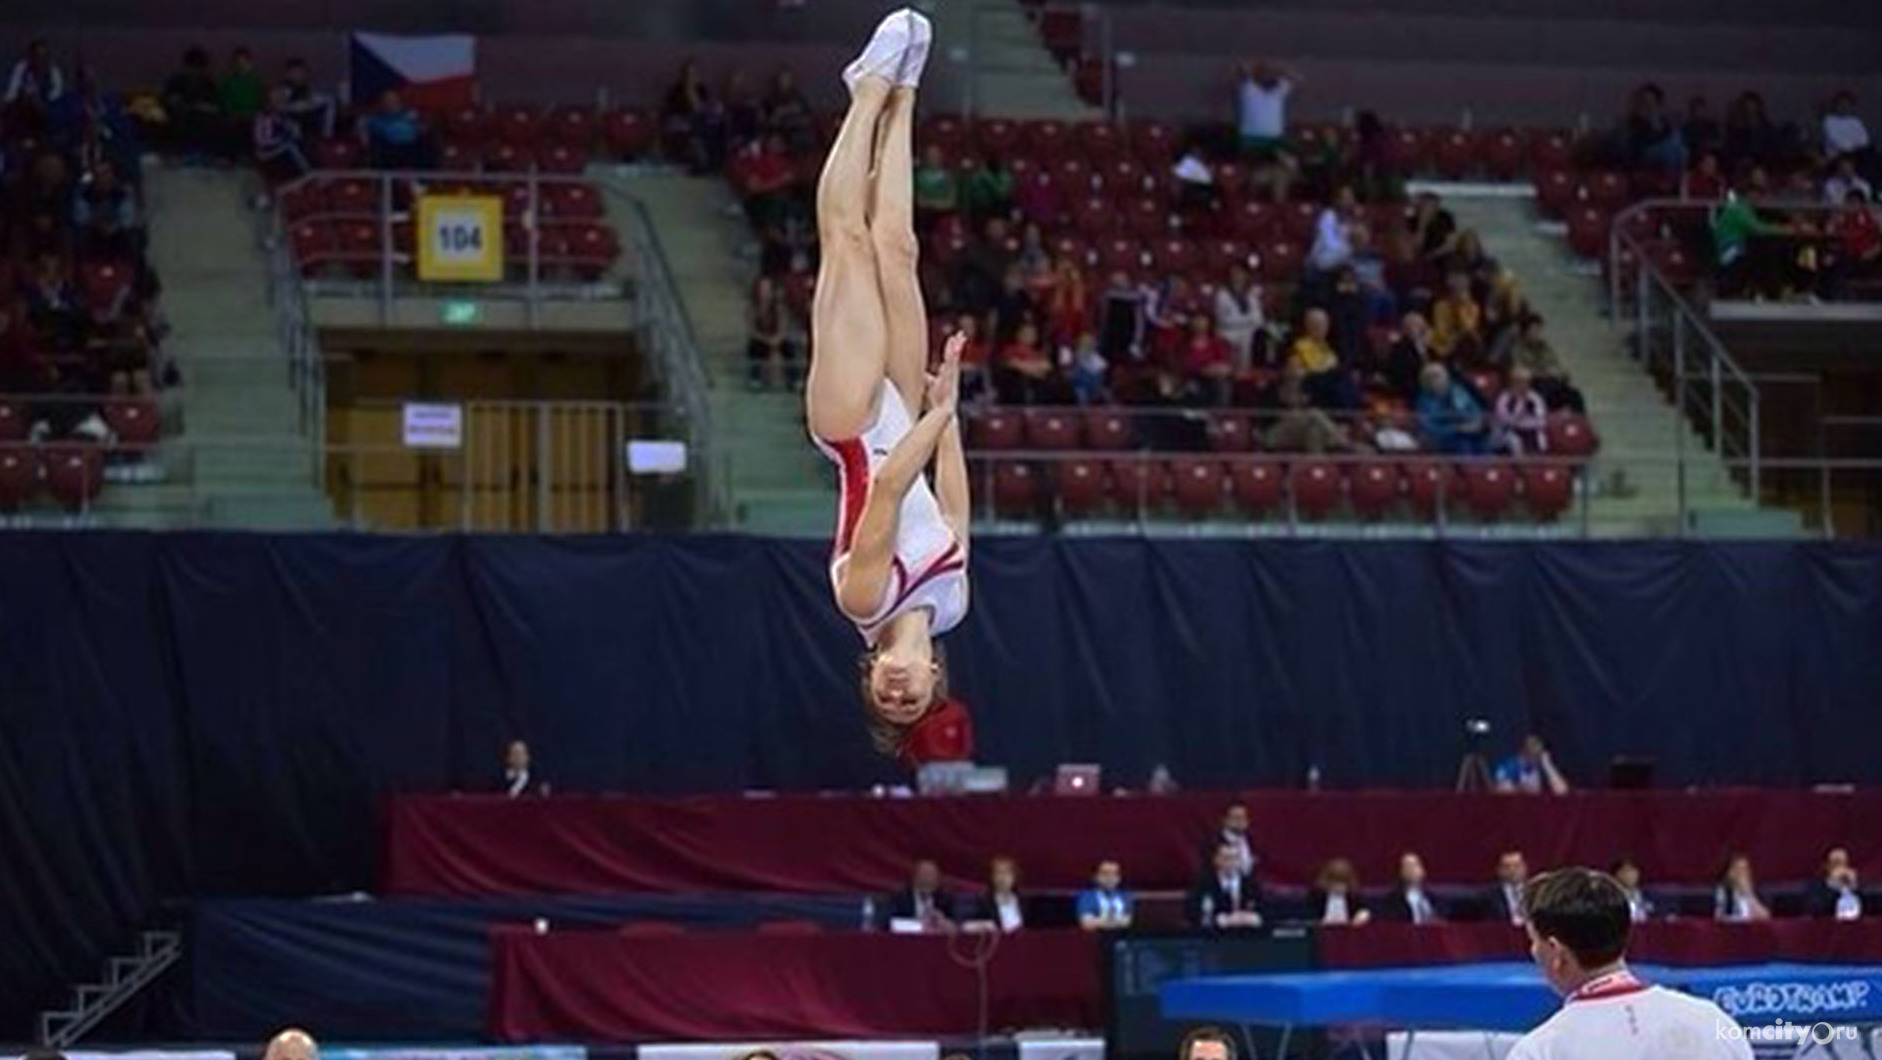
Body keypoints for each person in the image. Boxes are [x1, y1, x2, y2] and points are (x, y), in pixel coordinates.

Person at [807, 10, 968, 765]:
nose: (900, 692)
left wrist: (940, 414)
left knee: (849, 245)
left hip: (853, 425)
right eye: (914, 698)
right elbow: (954, 506)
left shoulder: (862, 601)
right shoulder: (954, 604)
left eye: (885, 695)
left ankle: (866, 92)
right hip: (908, 417)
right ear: (936, 676)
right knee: (899, 250)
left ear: (872, 673)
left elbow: (892, 486)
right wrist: (950, 421)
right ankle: (906, 94)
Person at [1507, 868, 1754, 1060]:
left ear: (1555, 951)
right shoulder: (1714, 1021)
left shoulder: (1542, 1050)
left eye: (1533, 940)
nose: (1532, 951)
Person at [162, 47, 226, 160]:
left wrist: (203, 107)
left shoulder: (208, 82)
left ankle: (210, 154)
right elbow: (168, 98)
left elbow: (217, 107)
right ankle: (176, 154)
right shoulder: (177, 80)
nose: (193, 71)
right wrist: (175, 101)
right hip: (182, 114)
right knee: (178, 118)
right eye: (191, 67)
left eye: (197, 68)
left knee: (214, 122)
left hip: (203, 115)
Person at [1415, 364, 1489, 456]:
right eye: (1430, 378)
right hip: (1441, 441)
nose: (1434, 381)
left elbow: (1474, 413)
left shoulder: (1457, 391)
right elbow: (1428, 426)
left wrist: (1471, 424)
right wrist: (1455, 429)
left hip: (1468, 435)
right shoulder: (1424, 400)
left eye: (1437, 376)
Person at [1189, 841, 1263, 930]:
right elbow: (1192, 913)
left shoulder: (1250, 883)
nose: (1232, 863)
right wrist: (1216, 920)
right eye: (1227, 858)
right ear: (1216, 860)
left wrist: (1255, 917)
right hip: (1215, 938)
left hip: (1247, 936)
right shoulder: (1205, 884)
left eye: (1235, 858)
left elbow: (1264, 911)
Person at [746, 275, 798, 389]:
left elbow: (783, 325)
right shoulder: (753, 308)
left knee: (789, 347)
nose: (765, 291)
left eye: (768, 288)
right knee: (755, 347)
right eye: (763, 288)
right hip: (761, 338)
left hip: (776, 337)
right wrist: (766, 339)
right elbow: (751, 330)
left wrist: (777, 338)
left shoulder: (779, 306)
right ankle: (755, 379)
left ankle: (793, 380)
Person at [361, 89, 432, 170]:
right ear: (382, 102)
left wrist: (419, 126)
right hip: (387, 149)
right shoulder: (375, 119)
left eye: (393, 100)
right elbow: (384, 132)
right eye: (388, 100)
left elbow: (420, 129)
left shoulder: (410, 115)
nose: (391, 103)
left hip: (411, 148)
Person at [253, 86, 311, 183]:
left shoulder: (282, 115)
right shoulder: (265, 118)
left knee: (303, 143)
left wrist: (295, 130)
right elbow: (262, 141)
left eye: (284, 99)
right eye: (278, 100)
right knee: (291, 147)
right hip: (267, 152)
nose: (283, 102)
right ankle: (306, 174)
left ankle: (309, 171)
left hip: (281, 146)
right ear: (269, 102)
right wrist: (285, 138)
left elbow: (292, 127)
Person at [1213, 263, 1265, 371]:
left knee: (1252, 340)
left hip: (1248, 333)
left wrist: (1241, 321)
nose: (1237, 276)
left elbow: (1258, 319)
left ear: (1246, 275)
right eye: (1235, 273)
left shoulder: (1252, 294)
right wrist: (1247, 320)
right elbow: (1224, 320)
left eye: (1240, 273)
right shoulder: (1222, 295)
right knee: (1229, 339)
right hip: (1227, 333)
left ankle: (1246, 376)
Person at [885, 858, 957, 931]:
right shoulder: (901, 897)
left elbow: (955, 922)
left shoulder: (944, 897)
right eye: (925, 875)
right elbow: (890, 922)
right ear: (915, 878)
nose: (929, 880)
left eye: (933, 876)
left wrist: (945, 923)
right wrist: (919, 926)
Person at [1181, 313, 1234, 406]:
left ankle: (1218, 414)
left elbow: (1225, 363)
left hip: (1215, 377)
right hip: (1192, 377)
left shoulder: (1216, 343)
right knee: (1192, 387)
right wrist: (1202, 369)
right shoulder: (1184, 344)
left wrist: (1218, 369)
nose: (1199, 324)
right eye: (1197, 320)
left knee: (1221, 385)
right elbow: (1184, 363)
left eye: (1202, 321)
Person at [1494, 367, 1550, 455]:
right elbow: (1504, 420)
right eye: (1519, 382)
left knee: (1542, 441)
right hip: (1513, 431)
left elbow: (1541, 418)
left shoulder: (1535, 397)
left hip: (1532, 430)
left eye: (1526, 382)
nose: (1523, 385)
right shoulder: (1505, 398)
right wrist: (1519, 408)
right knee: (1514, 442)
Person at [278, 58, 336, 141]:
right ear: (288, 74)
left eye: (301, 72)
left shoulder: (306, 85)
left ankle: (327, 135)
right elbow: (280, 107)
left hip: (305, 113)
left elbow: (313, 98)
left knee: (329, 100)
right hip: (290, 117)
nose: (299, 75)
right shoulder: (286, 87)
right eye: (295, 72)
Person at [1378, 851, 1444, 924]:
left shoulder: (1433, 899)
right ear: (1401, 872)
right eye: (1408, 867)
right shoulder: (1392, 902)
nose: (1413, 870)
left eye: (1415, 866)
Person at [1494, 734, 1571, 794]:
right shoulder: (1510, 766)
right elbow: (1505, 793)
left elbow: (1562, 792)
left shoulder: (1541, 766)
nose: (1535, 756)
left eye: (1538, 753)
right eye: (1531, 751)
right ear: (1523, 751)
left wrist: (1548, 766)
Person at [968, 856, 1028, 932]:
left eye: (1007, 873)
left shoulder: (1023, 900)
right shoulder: (982, 901)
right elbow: (967, 925)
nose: (1002, 878)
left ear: (1015, 877)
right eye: (998, 873)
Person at [1802, 847, 1863, 920]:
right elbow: (1816, 909)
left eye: (1842, 863)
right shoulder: (1816, 886)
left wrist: (1853, 886)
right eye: (1836, 863)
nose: (1839, 867)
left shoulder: (1855, 885)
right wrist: (1833, 885)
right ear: (1827, 866)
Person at [1307, 857, 1371, 926]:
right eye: (1334, 883)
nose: (1338, 887)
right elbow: (1309, 915)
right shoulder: (1317, 896)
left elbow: (1363, 910)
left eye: (1342, 883)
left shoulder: (1353, 897)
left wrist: (1362, 915)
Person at [1821, 90, 1874, 175]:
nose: (1844, 106)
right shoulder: (1829, 121)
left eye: (1846, 104)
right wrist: (1851, 146)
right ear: (1836, 105)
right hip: (1838, 155)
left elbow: (1864, 140)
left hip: (1856, 153)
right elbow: (1836, 141)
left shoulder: (1856, 121)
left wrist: (1854, 147)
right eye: (1841, 104)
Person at [1199, 803, 1257, 877]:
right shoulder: (1213, 841)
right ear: (1225, 820)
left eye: (1243, 818)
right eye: (1236, 818)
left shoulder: (1251, 840)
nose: (1240, 822)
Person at [1076, 860, 1134, 931]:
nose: (1110, 878)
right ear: (1096, 877)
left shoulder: (1125, 896)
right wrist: (1117, 921)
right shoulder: (1087, 896)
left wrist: (1100, 921)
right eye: (1105, 874)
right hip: (1094, 937)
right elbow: (1087, 924)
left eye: (1115, 874)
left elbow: (1128, 922)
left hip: (1123, 936)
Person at [1712, 853, 1771, 922]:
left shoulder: (1758, 891)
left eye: (1744, 870)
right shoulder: (1724, 891)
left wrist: (1748, 893)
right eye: (1737, 870)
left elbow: (1765, 917)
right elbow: (1719, 917)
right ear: (1729, 873)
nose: (1741, 874)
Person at [913, 143, 959, 233]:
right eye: (930, 155)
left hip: (943, 214)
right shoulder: (918, 177)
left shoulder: (948, 177)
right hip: (923, 215)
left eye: (936, 155)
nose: (933, 158)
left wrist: (935, 205)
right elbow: (918, 200)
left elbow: (951, 201)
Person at [1483, 850, 1529, 925]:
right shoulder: (1488, 895)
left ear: (1524, 868)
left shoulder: (1536, 890)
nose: (1512, 871)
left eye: (1517, 866)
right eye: (1507, 867)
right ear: (1499, 870)